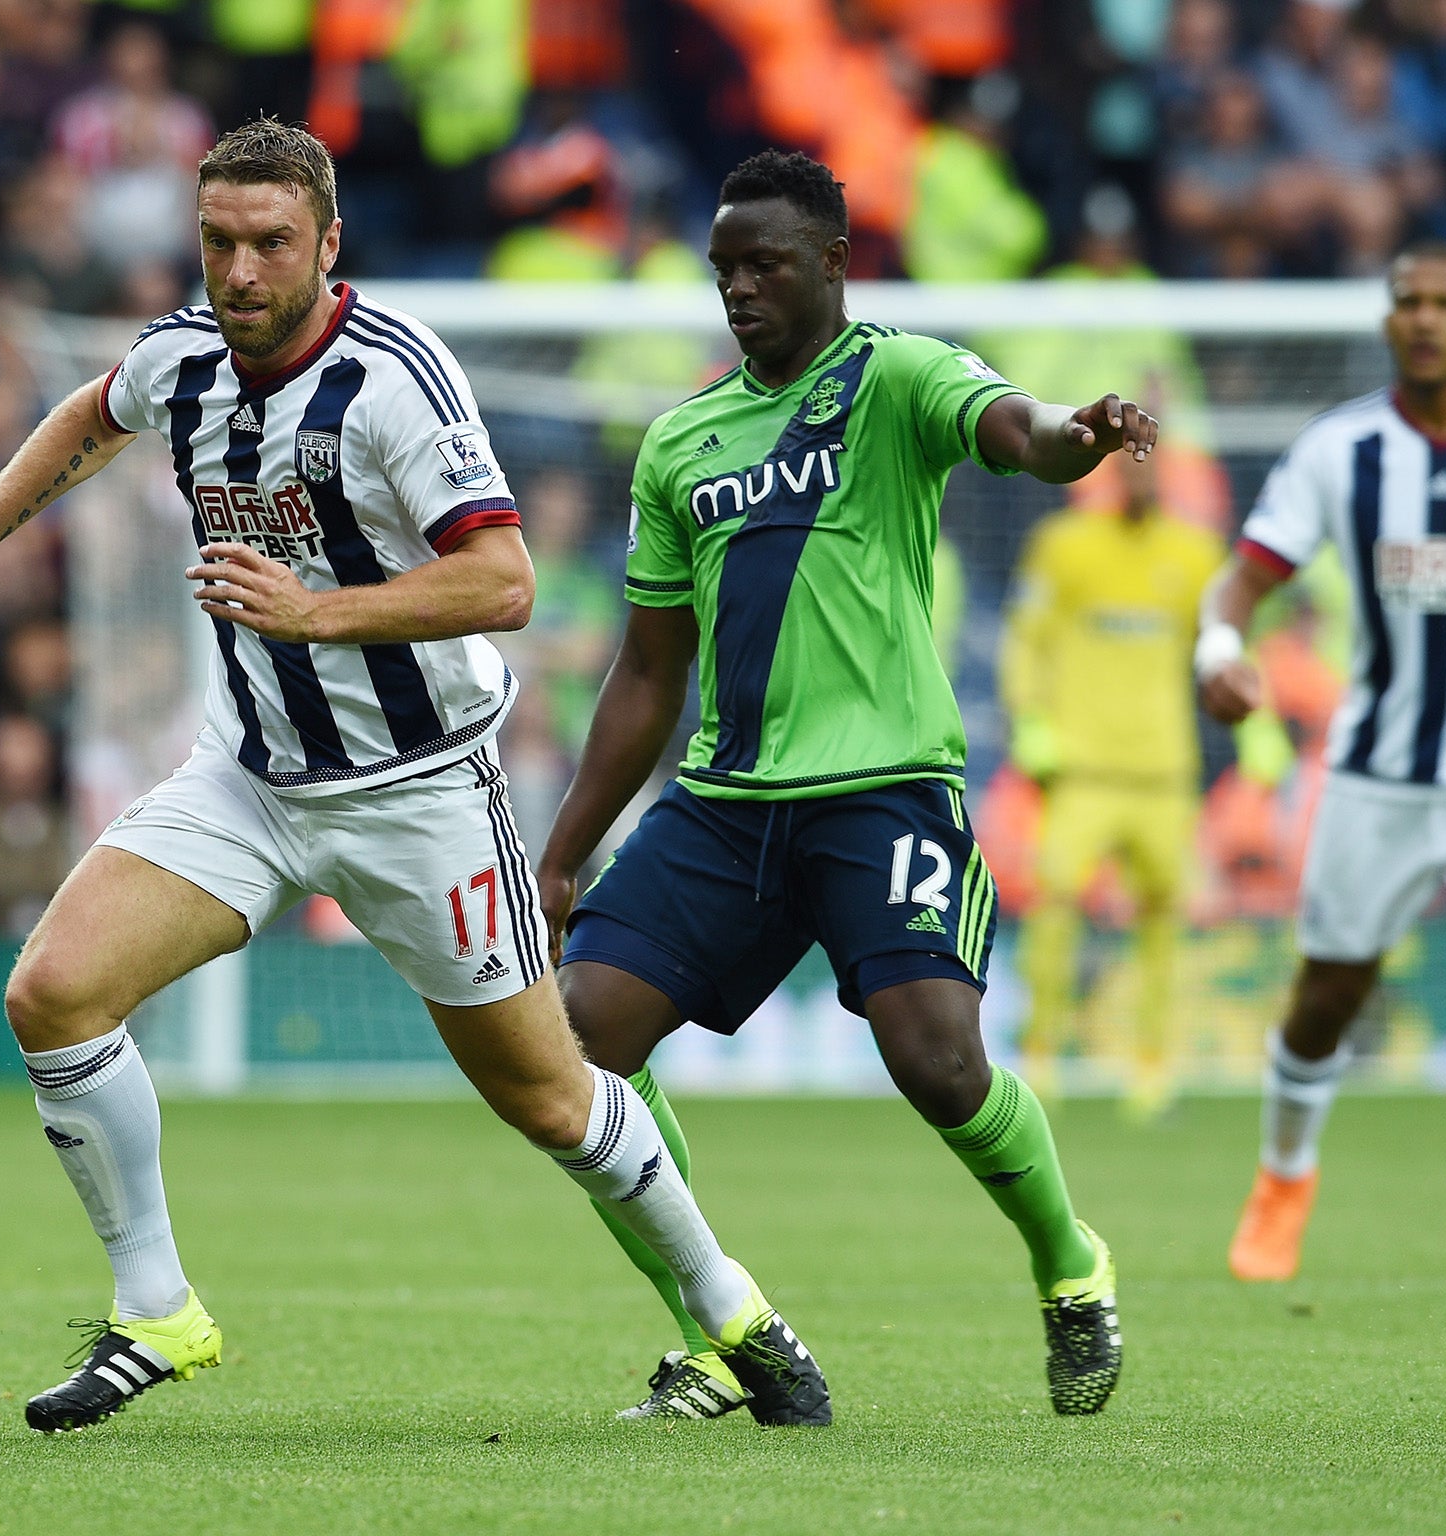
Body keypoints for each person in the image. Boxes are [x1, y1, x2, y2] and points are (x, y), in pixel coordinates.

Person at [0, 120, 829, 1434]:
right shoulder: (183, 359)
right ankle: (159, 1310)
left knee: (551, 1098)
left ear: (329, 243)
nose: (241, 270)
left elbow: (505, 581)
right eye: (218, 242)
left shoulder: (394, 381)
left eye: (270, 243)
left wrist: (317, 612)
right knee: (52, 994)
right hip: (252, 780)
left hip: (419, 795)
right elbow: (92, 415)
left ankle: (737, 1315)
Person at [535, 149, 1156, 1421]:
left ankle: (1067, 1259)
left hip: (881, 791)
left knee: (936, 1066)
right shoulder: (680, 442)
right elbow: (648, 671)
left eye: (764, 264)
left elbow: (1016, 431)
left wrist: (1073, 439)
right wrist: (562, 850)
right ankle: (719, 1333)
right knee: (575, 1040)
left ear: (831, 261)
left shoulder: (894, 375)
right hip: (725, 801)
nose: (738, 289)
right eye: (721, 269)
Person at [1199, 240, 1446, 1286]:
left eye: (1444, 303)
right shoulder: (1338, 451)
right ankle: (1281, 1177)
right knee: (1326, 997)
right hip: (1371, 774)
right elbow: (1240, 583)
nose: (1424, 319)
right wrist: (1218, 651)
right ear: (1385, 321)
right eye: (1406, 302)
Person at [1001, 448, 1224, 1117]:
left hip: (1162, 771)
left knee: (1164, 917)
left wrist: (1257, 722)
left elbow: (1221, 645)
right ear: (1107, 473)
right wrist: (1032, 723)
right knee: (1056, 903)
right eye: (1126, 465)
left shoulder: (1195, 555)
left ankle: (1153, 1064)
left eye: (1150, 466)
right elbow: (1025, 638)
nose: (1138, 477)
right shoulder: (1063, 546)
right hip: (1083, 767)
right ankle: (1042, 1053)